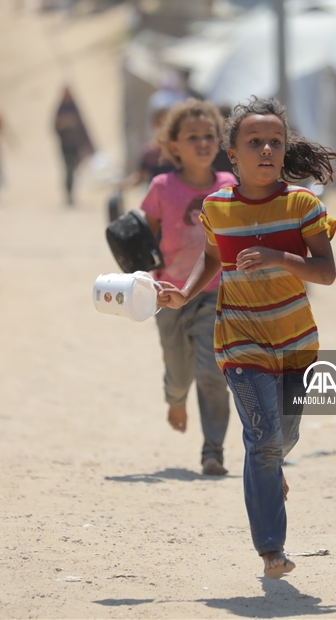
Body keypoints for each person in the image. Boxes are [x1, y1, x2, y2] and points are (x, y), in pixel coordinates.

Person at [158, 97, 336, 580]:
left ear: (284, 151)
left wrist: (280, 259)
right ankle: (271, 550)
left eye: (274, 142)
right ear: (231, 154)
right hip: (239, 342)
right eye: (254, 142)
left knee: (284, 437)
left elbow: (326, 272)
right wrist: (184, 293)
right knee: (262, 441)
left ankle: (271, 470)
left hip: (296, 344)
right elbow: (214, 259)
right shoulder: (217, 208)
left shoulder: (302, 205)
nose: (265, 150)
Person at [140, 100, 237, 476]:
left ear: (219, 142)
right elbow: (143, 234)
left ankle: (213, 450)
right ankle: (175, 398)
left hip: (214, 293)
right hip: (167, 295)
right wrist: (143, 274)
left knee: (213, 372)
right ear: (173, 145)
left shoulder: (229, 186)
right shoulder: (162, 187)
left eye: (209, 136)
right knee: (179, 370)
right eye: (191, 136)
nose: (201, 143)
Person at [53, 86, 93, 205]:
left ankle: (71, 191)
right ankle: (68, 192)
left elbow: (82, 125)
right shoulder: (60, 109)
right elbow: (54, 126)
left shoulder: (74, 108)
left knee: (74, 168)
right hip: (65, 145)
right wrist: (64, 124)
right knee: (68, 169)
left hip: (75, 145)